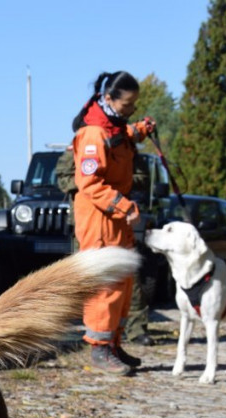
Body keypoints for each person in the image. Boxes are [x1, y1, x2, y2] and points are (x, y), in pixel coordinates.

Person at [71, 71, 155, 375]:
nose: (130, 110)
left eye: (134, 105)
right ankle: (99, 348)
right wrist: (122, 205)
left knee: (123, 280)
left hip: (116, 216)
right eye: (127, 105)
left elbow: (123, 136)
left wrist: (141, 129)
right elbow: (89, 183)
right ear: (108, 99)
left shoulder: (112, 127)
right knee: (104, 282)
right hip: (100, 216)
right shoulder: (93, 133)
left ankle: (114, 344)